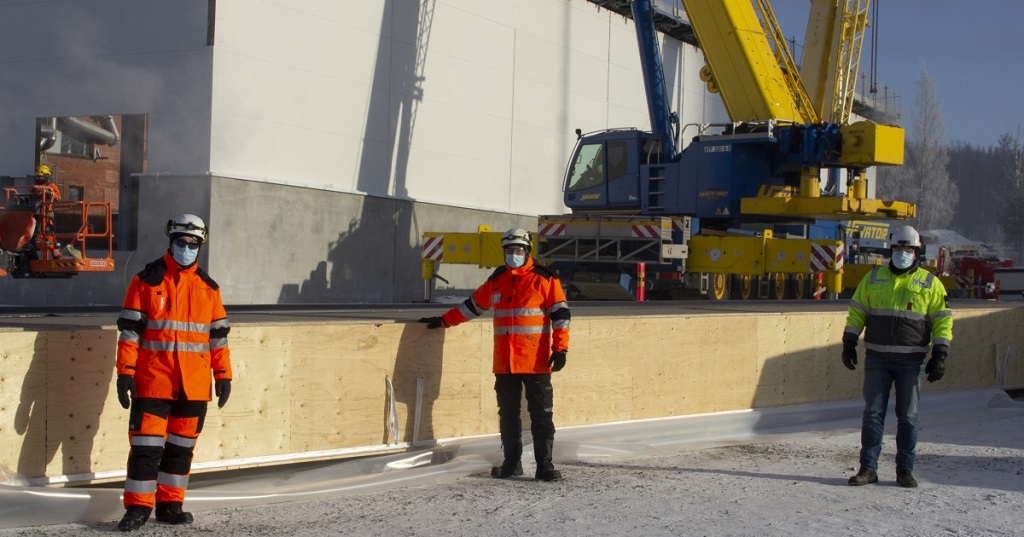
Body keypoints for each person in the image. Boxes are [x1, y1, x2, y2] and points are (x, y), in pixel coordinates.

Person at [419, 228, 571, 482]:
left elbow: (561, 316)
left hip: (535, 363)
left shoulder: (544, 279)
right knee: (508, 414)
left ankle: (545, 466)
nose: (514, 255)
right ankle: (512, 464)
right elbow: (472, 307)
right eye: (509, 251)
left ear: (527, 251)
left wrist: (561, 348)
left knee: (541, 414)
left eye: (518, 250)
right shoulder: (497, 280)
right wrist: (443, 321)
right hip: (505, 364)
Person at [114, 213, 233, 531]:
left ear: (200, 246)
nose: (187, 248)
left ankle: (170, 505)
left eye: (193, 244)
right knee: (145, 451)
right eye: (181, 242)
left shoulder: (209, 289)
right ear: (171, 242)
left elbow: (218, 338)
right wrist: (125, 372)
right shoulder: (146, 280)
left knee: (180, 452)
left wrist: (224, 376)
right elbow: (130, 333)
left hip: (193, 387)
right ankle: (137, 509)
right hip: (153, 383)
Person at [841, 225, 952, 488]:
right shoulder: (874, 278)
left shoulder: (929, 283)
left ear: (916, 253)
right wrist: (849, 341)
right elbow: (857, 311)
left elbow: (942, 320)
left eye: (908, 249)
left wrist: (940, 353)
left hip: (911, 362)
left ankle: (905, 470)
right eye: (899, 248)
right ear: (892, 250)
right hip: (877, 359)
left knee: (908, 418)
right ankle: (868, 469)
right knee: (872, 415)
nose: (903, 253)